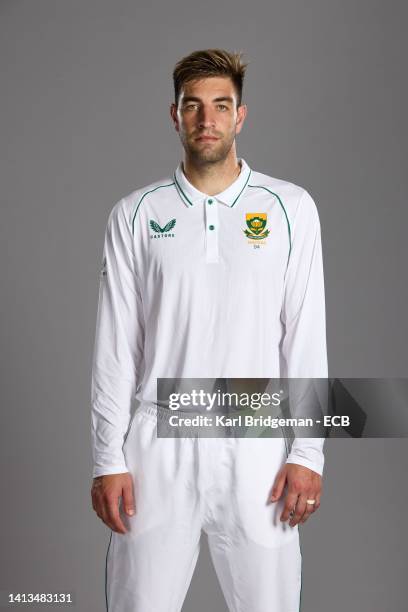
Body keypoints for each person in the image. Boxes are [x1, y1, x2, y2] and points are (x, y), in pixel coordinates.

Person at [90, 48, 328, 612]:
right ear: (174, 115)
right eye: (193, 106)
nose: (207, 119)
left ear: (240, 116)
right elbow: (116, 345)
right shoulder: (136, 214)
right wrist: (107, 458)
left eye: (221, 106)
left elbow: (305, 334)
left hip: (258, 443)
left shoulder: (291, 208)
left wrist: (309, 453)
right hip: (158, 444)